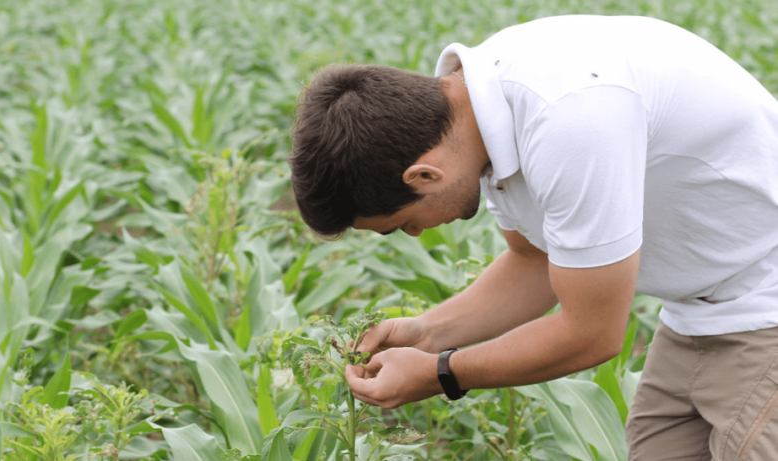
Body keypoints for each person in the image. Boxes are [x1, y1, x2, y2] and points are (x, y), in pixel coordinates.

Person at [288, 15, 778, 460]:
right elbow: (534, 261)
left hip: (764, 300)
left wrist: (442, 372)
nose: (416, 234)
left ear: (424, 176)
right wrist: (427, 332)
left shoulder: (568, 118)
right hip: (697, 309)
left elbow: (592, 334)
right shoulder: (479, 113)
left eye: (402, 223)